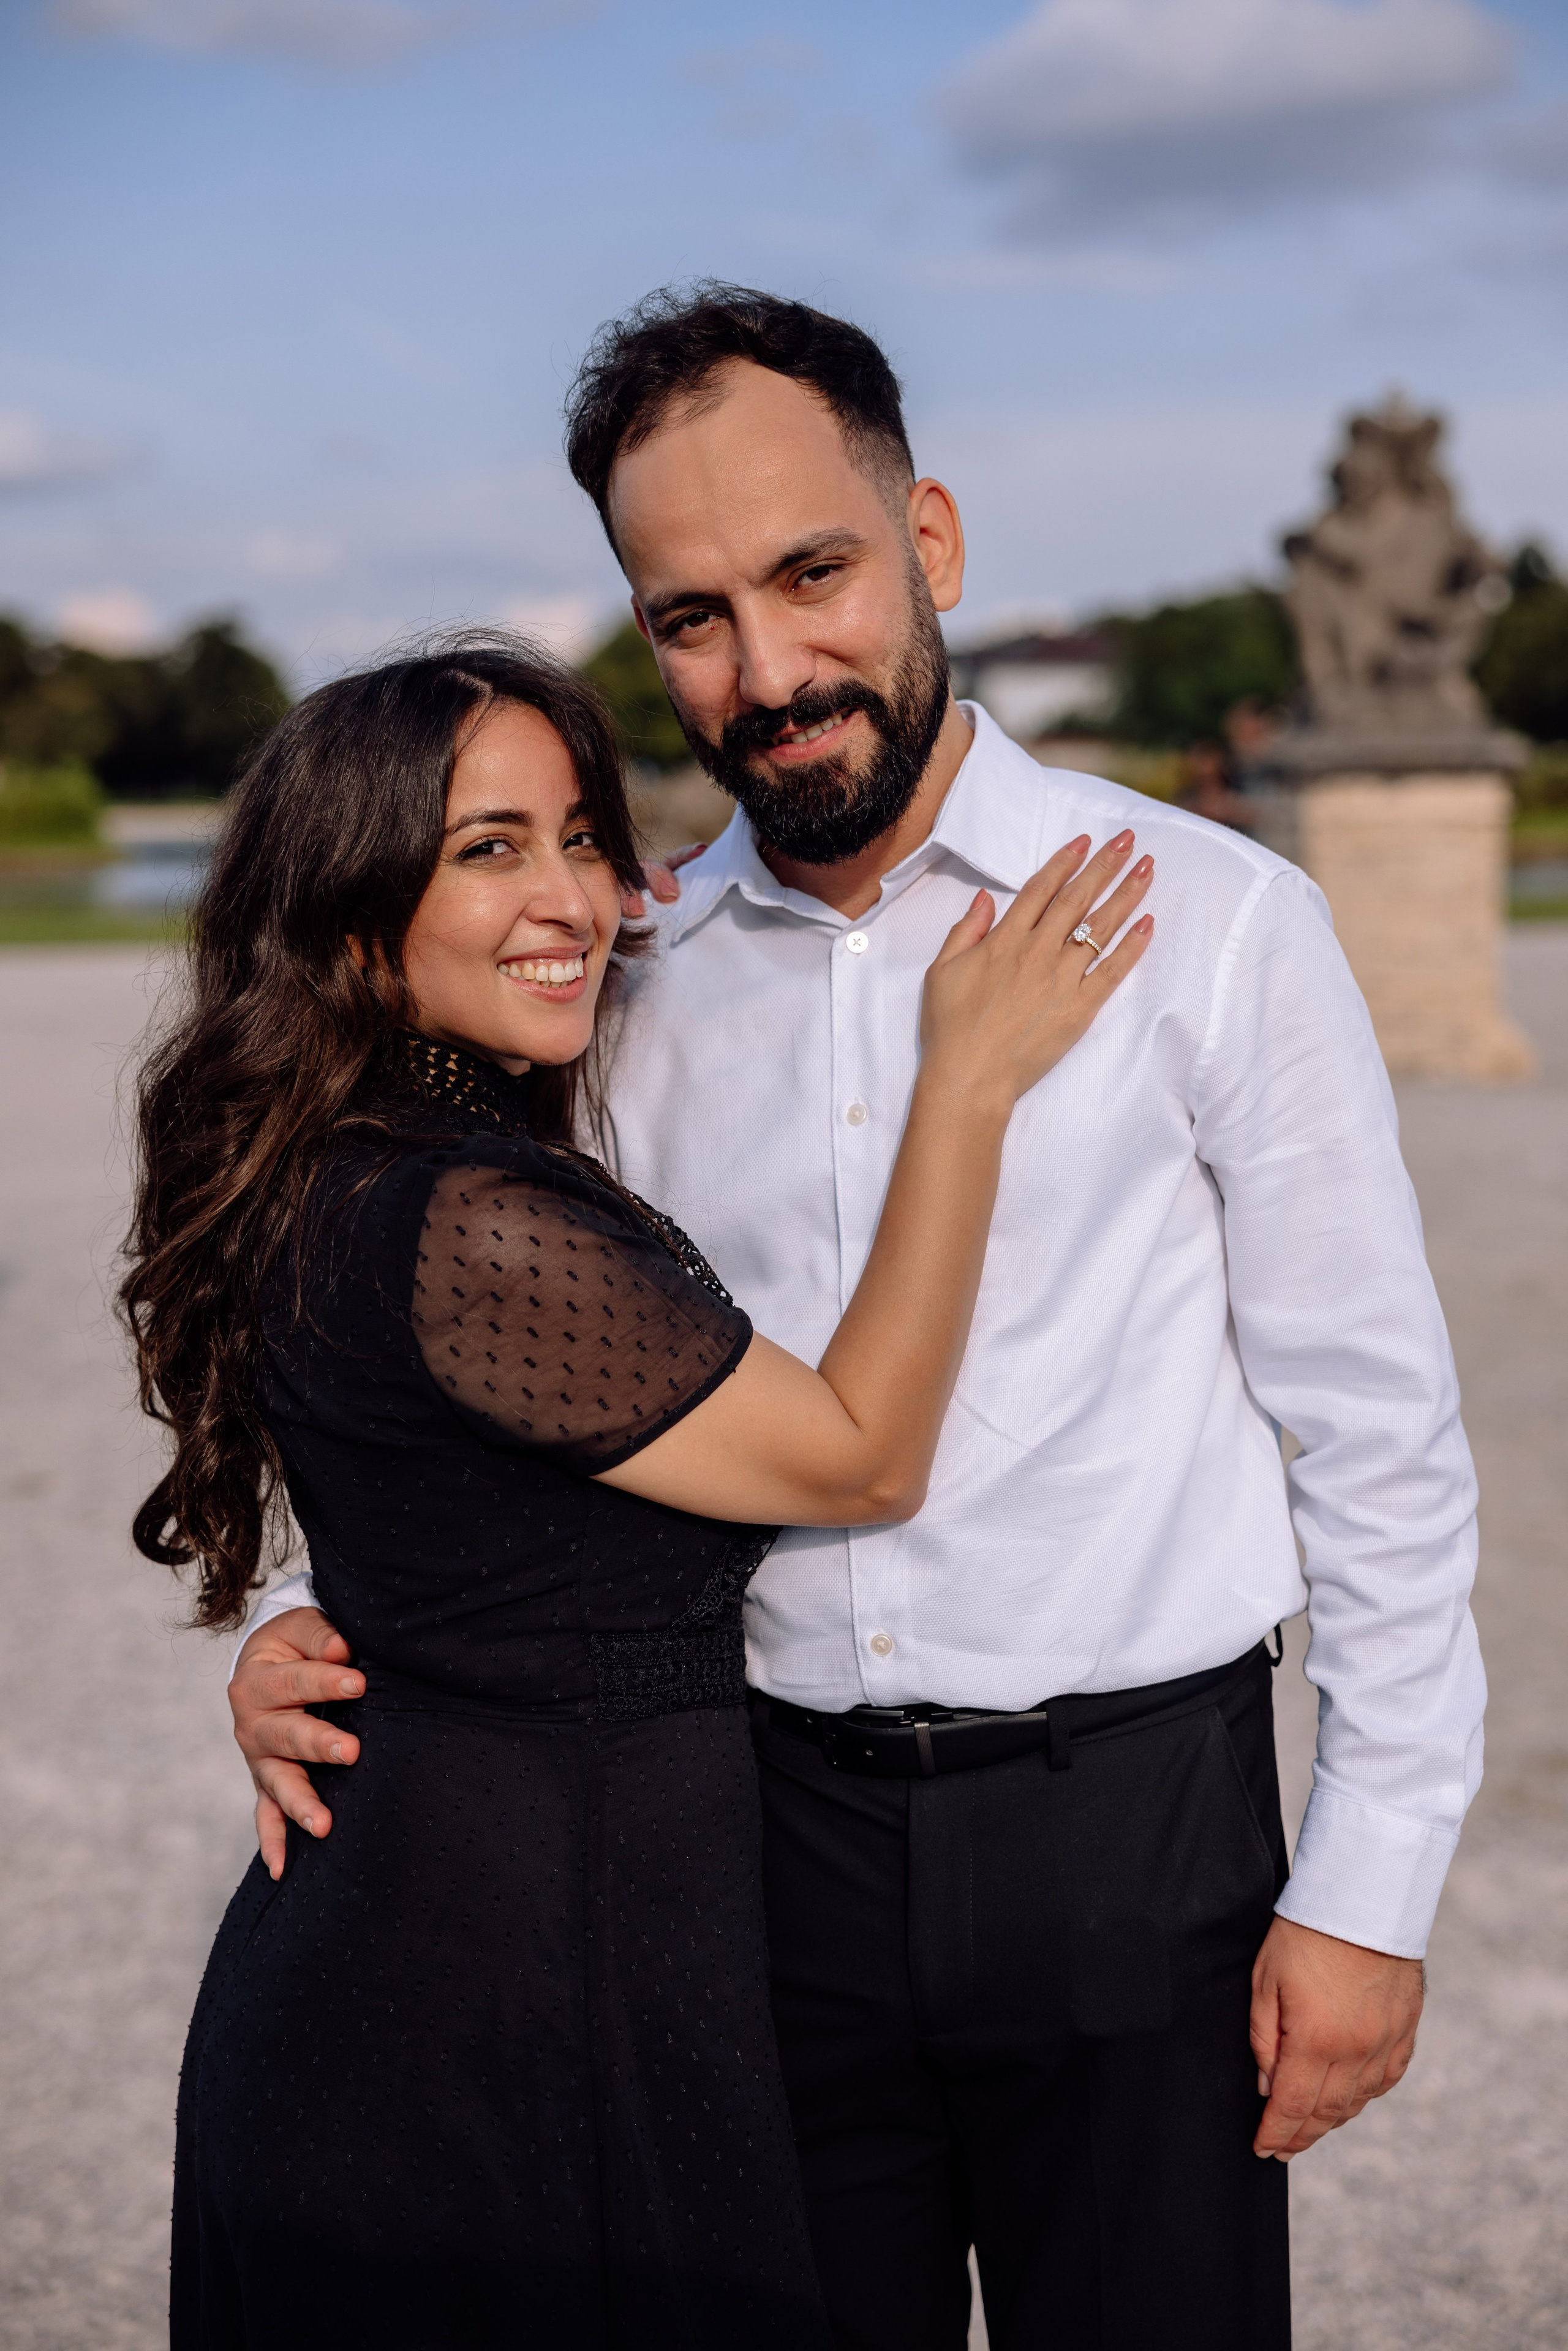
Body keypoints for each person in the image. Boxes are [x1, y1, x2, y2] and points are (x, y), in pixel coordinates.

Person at [229, 289, 1485, 2350]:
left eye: (811, 574)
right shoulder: (614, 983)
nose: (768, 667)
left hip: (1137, 1843)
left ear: (935, 548)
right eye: (691, 614)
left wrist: (1370, 1884)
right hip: (743, 1855)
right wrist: (304, 1602)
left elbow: (1378, 1432)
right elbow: (478, 1339)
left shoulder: (1215, 924)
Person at [121, 635, 1150, 2347]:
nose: (571, 896)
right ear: (355, 911)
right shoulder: (470, 1216)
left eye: (582, 836)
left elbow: (455, 1533)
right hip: (493, 2004)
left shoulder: (375, 1165)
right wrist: (962, 1086)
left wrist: (304, 1628)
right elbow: (859, 1455)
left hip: (508, 1946)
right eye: (487, 848)